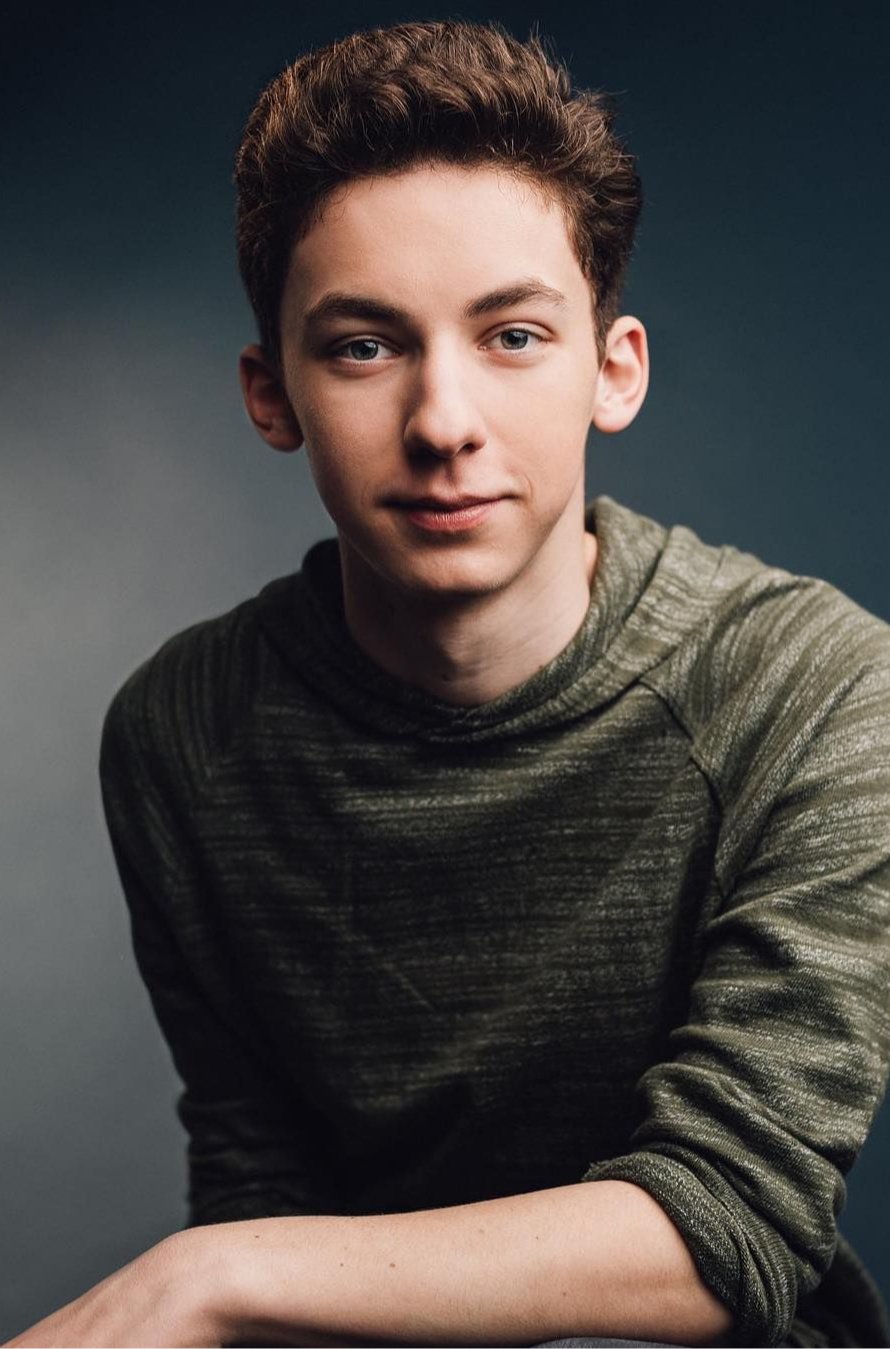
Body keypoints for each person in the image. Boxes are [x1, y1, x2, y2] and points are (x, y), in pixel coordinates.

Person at [8, 18, 890, 1349]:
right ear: (272, 393)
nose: (442, 423)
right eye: (365, 347)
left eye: (513, 335)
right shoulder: (183, 730)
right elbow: (265, 1190)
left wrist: (200, 1275)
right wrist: (223, 1272)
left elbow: (729, 1229)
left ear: (613, 370)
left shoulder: (812, 688)